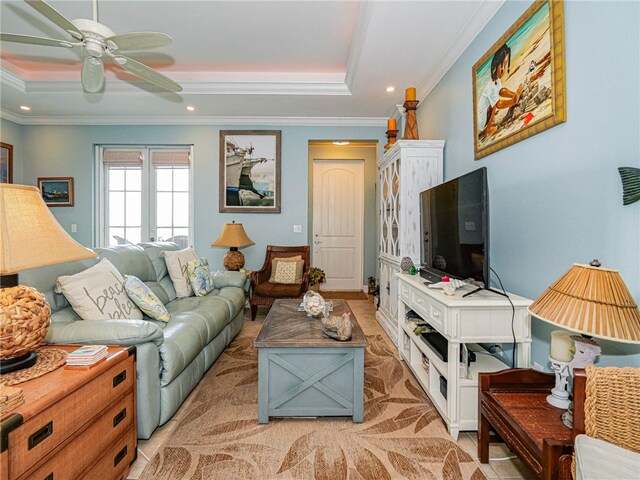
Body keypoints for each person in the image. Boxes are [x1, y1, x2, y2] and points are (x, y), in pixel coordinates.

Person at [477, 43, 523, 138]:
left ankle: (515, 96)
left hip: (486, 114)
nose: (504, 70)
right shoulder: (490, 87)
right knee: (494, 105)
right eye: (502, 66)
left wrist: (514, 94)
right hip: (481, 121)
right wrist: (513, 101)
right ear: (494, 68)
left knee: (501, 92)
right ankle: (487, 131)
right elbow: (498, 104)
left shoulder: (497, 81)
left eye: (505, 66)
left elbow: (501, 91)